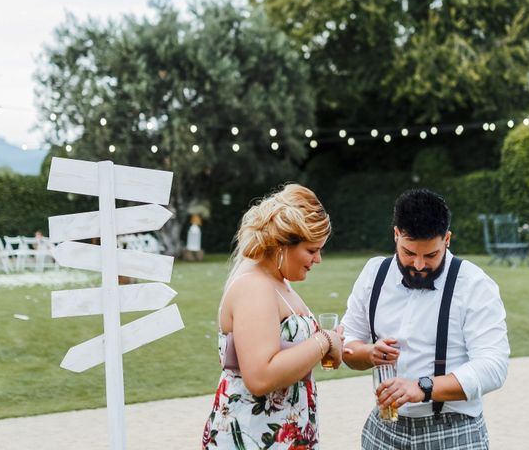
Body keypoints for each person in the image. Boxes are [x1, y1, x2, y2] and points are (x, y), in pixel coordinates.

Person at [341, 188, 509, 449]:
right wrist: (368, 353)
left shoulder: (474, 284)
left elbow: (493, 366)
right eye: (409, 253)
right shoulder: (374, 274)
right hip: (384, 428)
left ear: (447, 240)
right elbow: (347, 340)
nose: (419, 265)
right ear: (396, 235)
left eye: (431, 255)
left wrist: (423, 387)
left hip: (454, 430)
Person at [201, 184, 345, 449]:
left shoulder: (277, 281)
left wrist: (332, 344)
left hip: (283, 433)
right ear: (281, 245)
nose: (318, 259)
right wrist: (324, 340)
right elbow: (260, 377)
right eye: (311, 250)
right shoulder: (254, 286)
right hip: (254, 437)